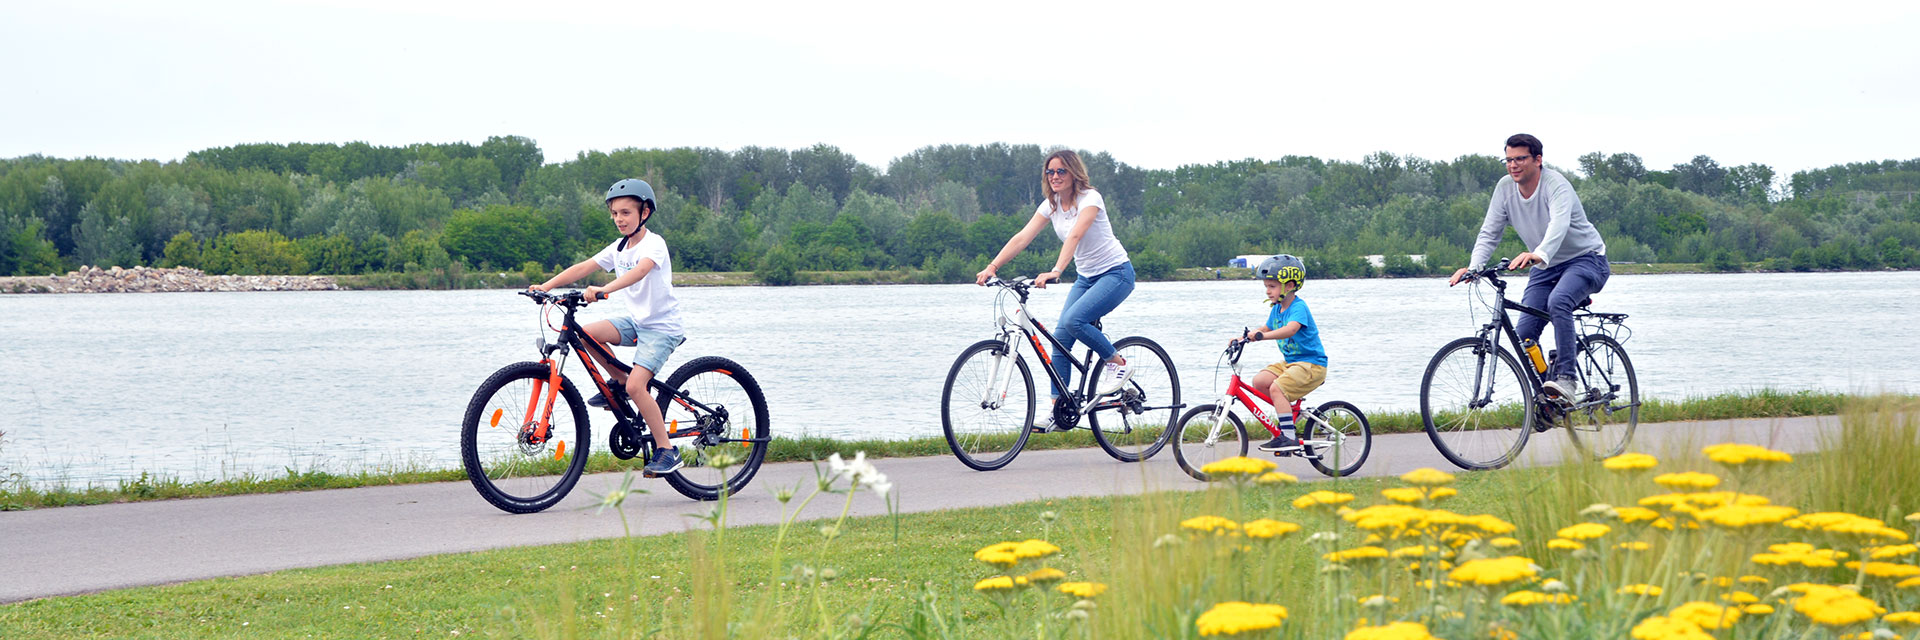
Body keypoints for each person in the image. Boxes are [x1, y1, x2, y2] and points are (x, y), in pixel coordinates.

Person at [530, 178, 688, 476]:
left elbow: (640, 272)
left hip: (662, 327)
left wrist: (606, 289)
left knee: (636, 385)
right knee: (586, 333)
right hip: (637, 322)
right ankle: (618, 382)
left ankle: (667, 450)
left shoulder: (654, 244)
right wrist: (545, 286)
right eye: (615, 213)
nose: (619, 219)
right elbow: (583, 268)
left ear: (645, 213)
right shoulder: (618, 248)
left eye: (626, 212)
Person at [975, 149, 1136, 432]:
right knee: (1060, 340)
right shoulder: (1051, 204)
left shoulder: (1091, 199)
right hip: (1087, 277)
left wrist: (1056, 271)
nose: (1055, 177)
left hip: (1116, 273)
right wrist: (993, 266)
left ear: (1074, 173)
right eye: (1050, 172)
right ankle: (1057, 409)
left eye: (1061, 171)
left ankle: (1117, 363)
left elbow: (1075, 235)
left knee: (1075, 321)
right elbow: (1023, 236)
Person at [1449, 133, 1609, 398]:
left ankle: (1567, 378)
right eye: (1508, 160)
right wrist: (1474, 268)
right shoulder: (1504, 188)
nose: (1513, 165)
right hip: (1546, 267)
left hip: (1586, 259)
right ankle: (1551, 395)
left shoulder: (1555, 184)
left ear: (1538, 159)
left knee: (1559, 301)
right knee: (1523, 335)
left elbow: (1559, 223)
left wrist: (1539, 253)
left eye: (1520, 158)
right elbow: (1490, 232)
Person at [1234, 255, 1327, 454]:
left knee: (1277, 388)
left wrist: (1262, 337)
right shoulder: (1277, 309)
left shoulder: (1298, 307)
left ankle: (1288, 437)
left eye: (1272, 286)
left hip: (1311, 365)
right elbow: (1267, 327)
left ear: (1289, 285)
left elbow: (1290, 330)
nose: (1268, 291)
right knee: (1259, 381)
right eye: (1266, 286)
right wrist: (1243, 339)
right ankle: (1289, 416)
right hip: (1291, 363)